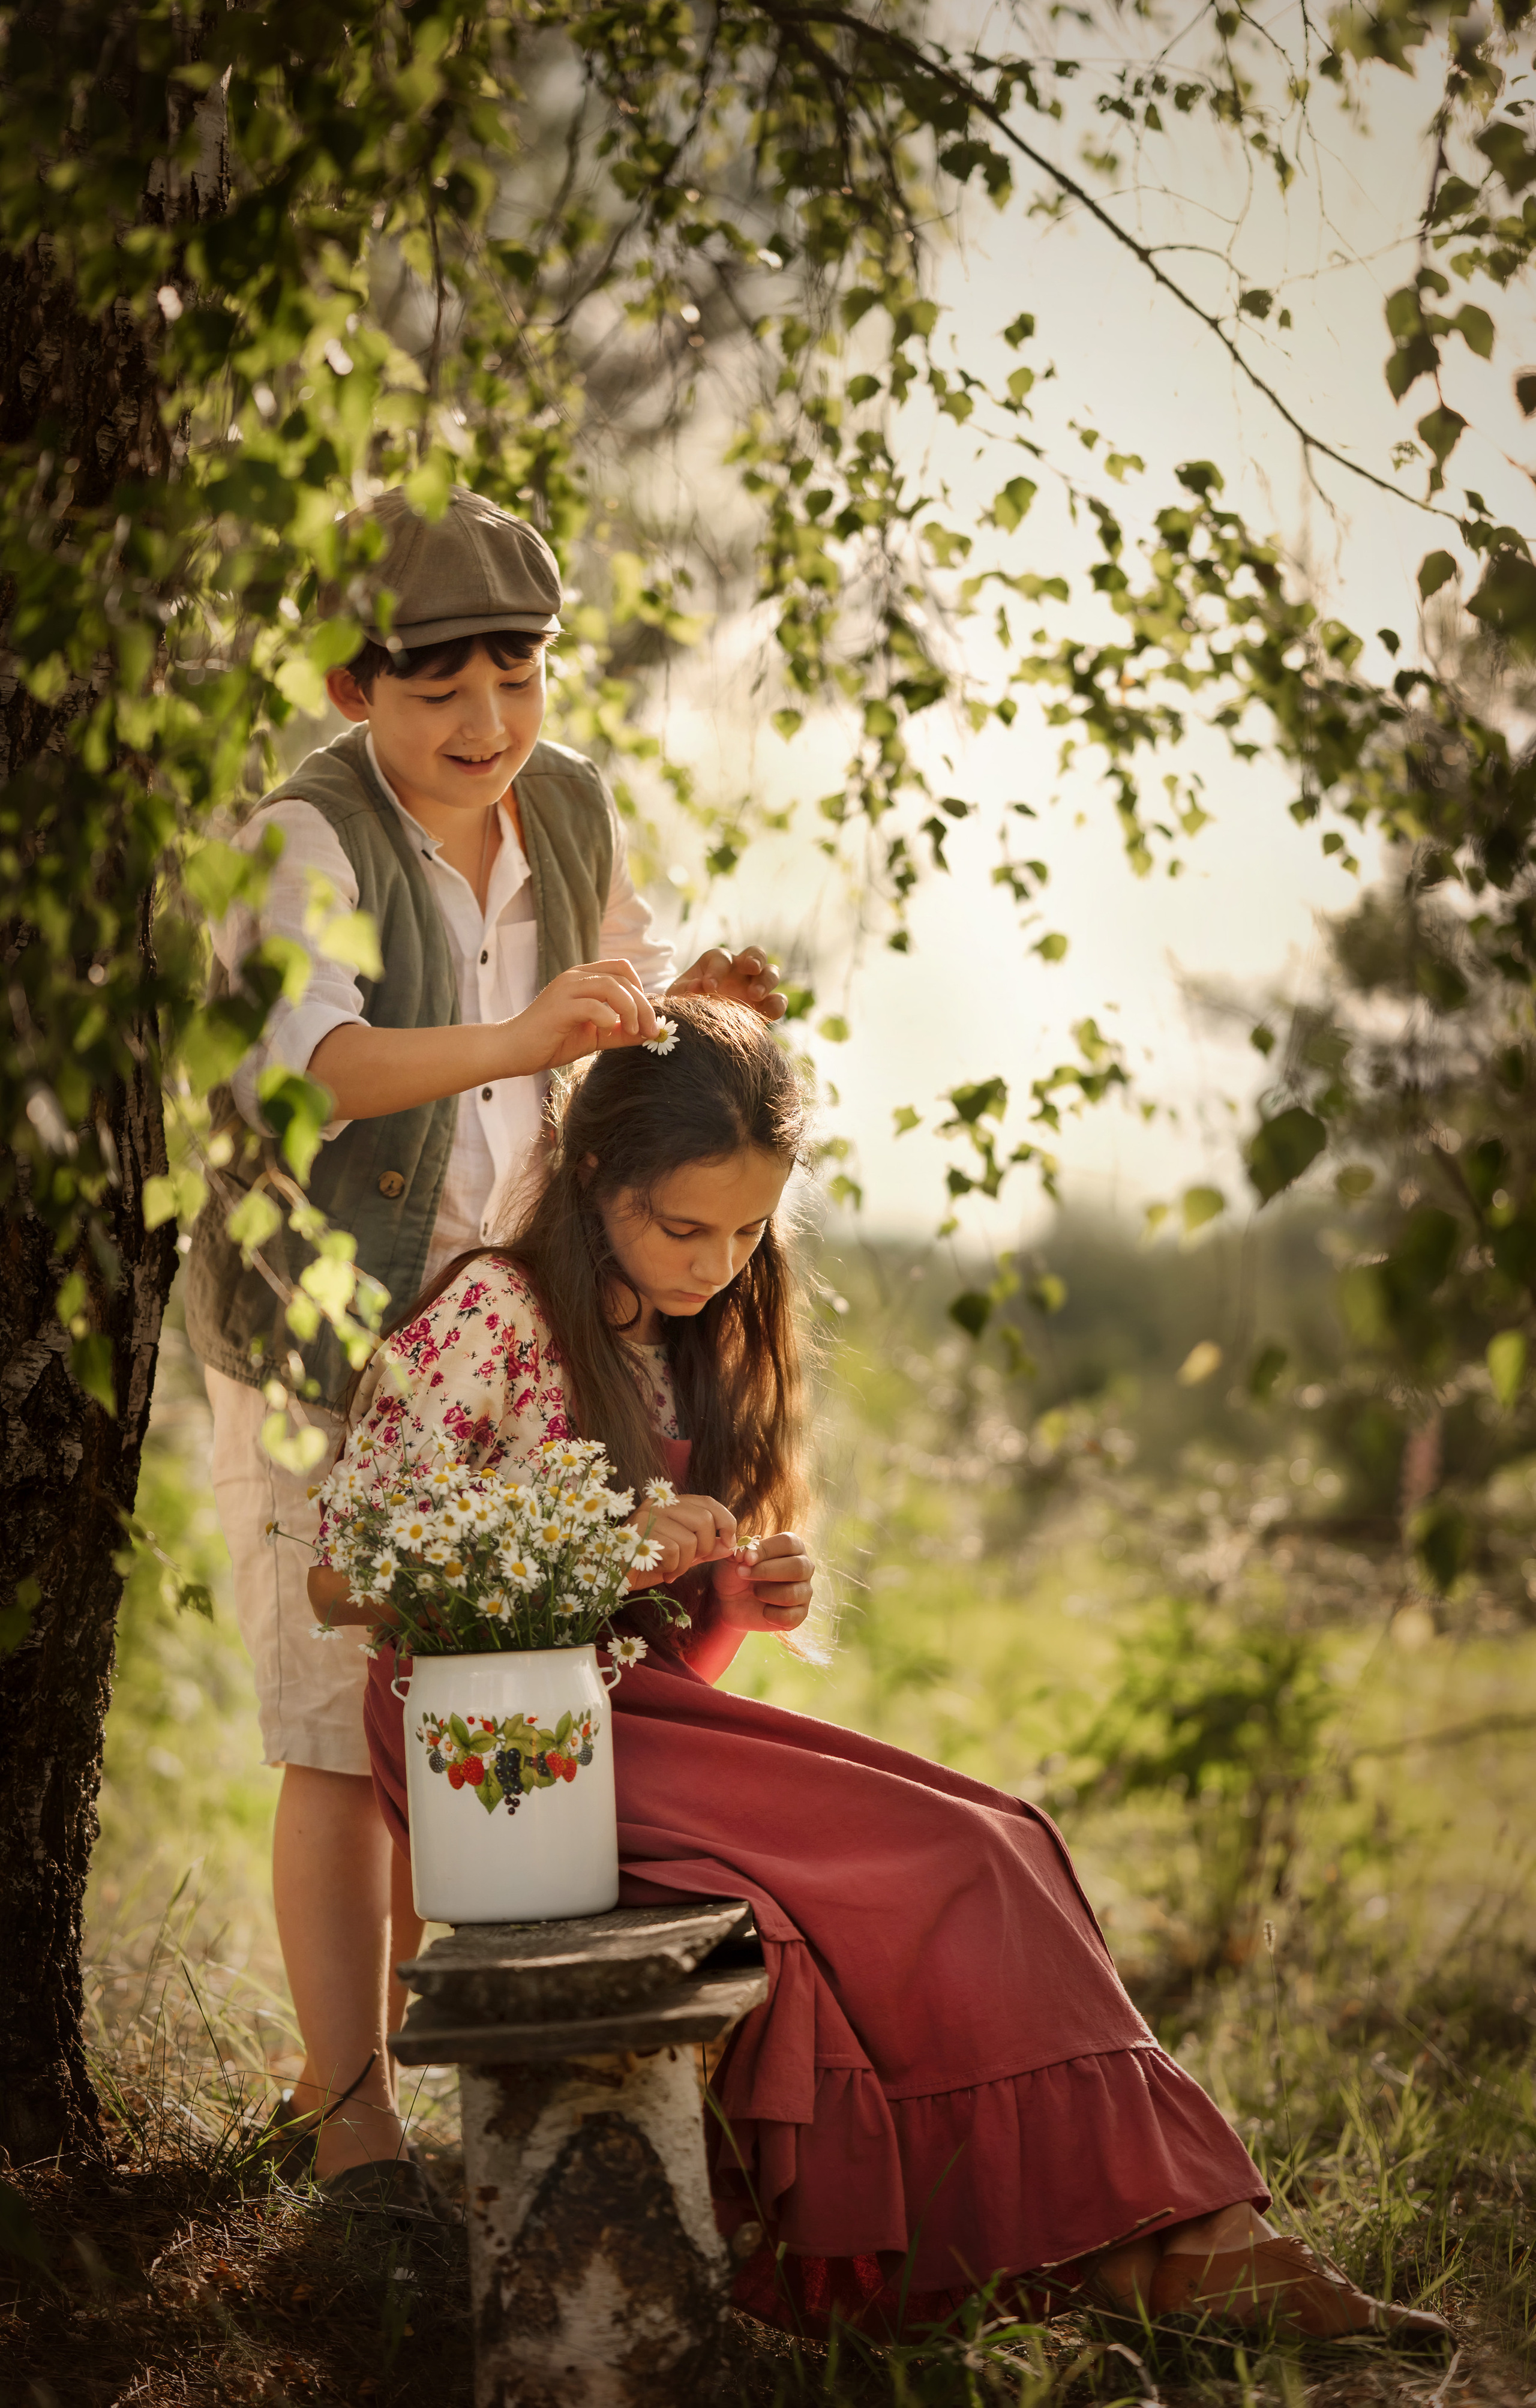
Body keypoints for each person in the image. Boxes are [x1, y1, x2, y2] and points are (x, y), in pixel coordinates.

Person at [308, 997, 1449, 2344]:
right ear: (595, 1173)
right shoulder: (494, 1314)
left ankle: (1185, 2238)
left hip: (631, 1715)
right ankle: (1143, 2250)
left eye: (744, 1233)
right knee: (950, 1853)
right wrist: (598, 1546)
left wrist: (728, 1593)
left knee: (997, 1834)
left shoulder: (686, 1337)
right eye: (684, 1229)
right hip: (500, 1744)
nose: (716, 1265)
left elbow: (671, 1646)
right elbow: (347, 1575)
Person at [182, 487, 785, 2200]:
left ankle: (469, 2081)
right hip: (325, 1335)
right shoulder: (308, 833)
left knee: (475, 1700)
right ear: (353, 681)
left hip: (502, 1345)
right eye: (436, 685)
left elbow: (615, 976)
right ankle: (340, 2098)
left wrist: (686, 993)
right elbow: (315, 1065)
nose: (483, 724)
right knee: (329, 1724)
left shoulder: (569, 804)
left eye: (514, 676)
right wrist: (512, 1028)